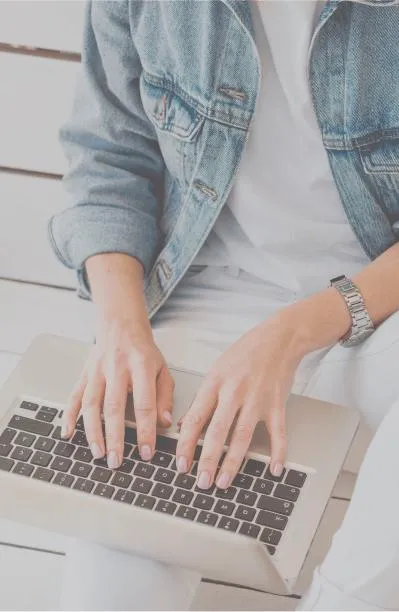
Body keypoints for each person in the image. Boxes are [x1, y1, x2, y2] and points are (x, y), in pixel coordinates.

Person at [49, 0, 399, 609]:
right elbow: (108, 162)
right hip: (208, 303)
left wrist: (290, 334)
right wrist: (121, 329)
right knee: (115, 559)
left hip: (376, 310)